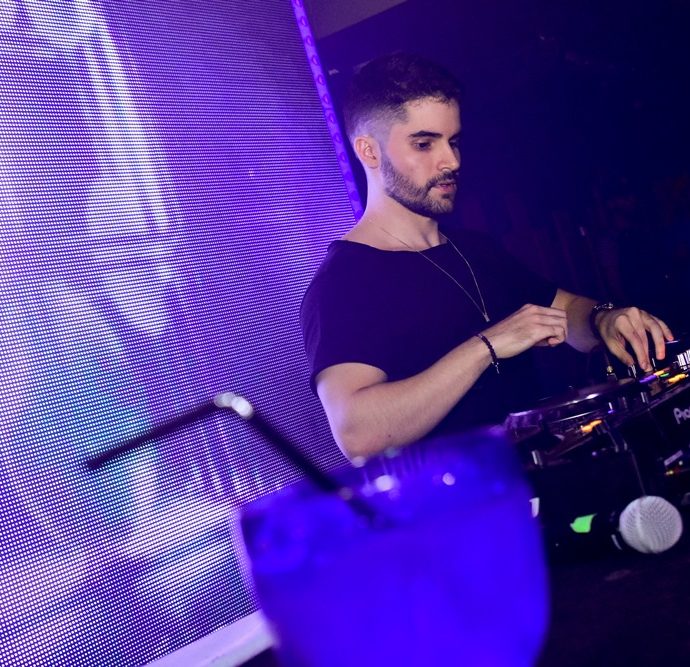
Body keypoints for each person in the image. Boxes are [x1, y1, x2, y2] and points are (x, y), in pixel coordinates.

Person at [300, 53, 673, 461]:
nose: (451, 161)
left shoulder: (476, 249)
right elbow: (357, 434)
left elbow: (565, 312)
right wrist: (486, 346)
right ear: (369, 152)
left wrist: (603, 319)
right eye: (424, 144)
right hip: (468, 501)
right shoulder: (344, 282)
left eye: (453, 141)